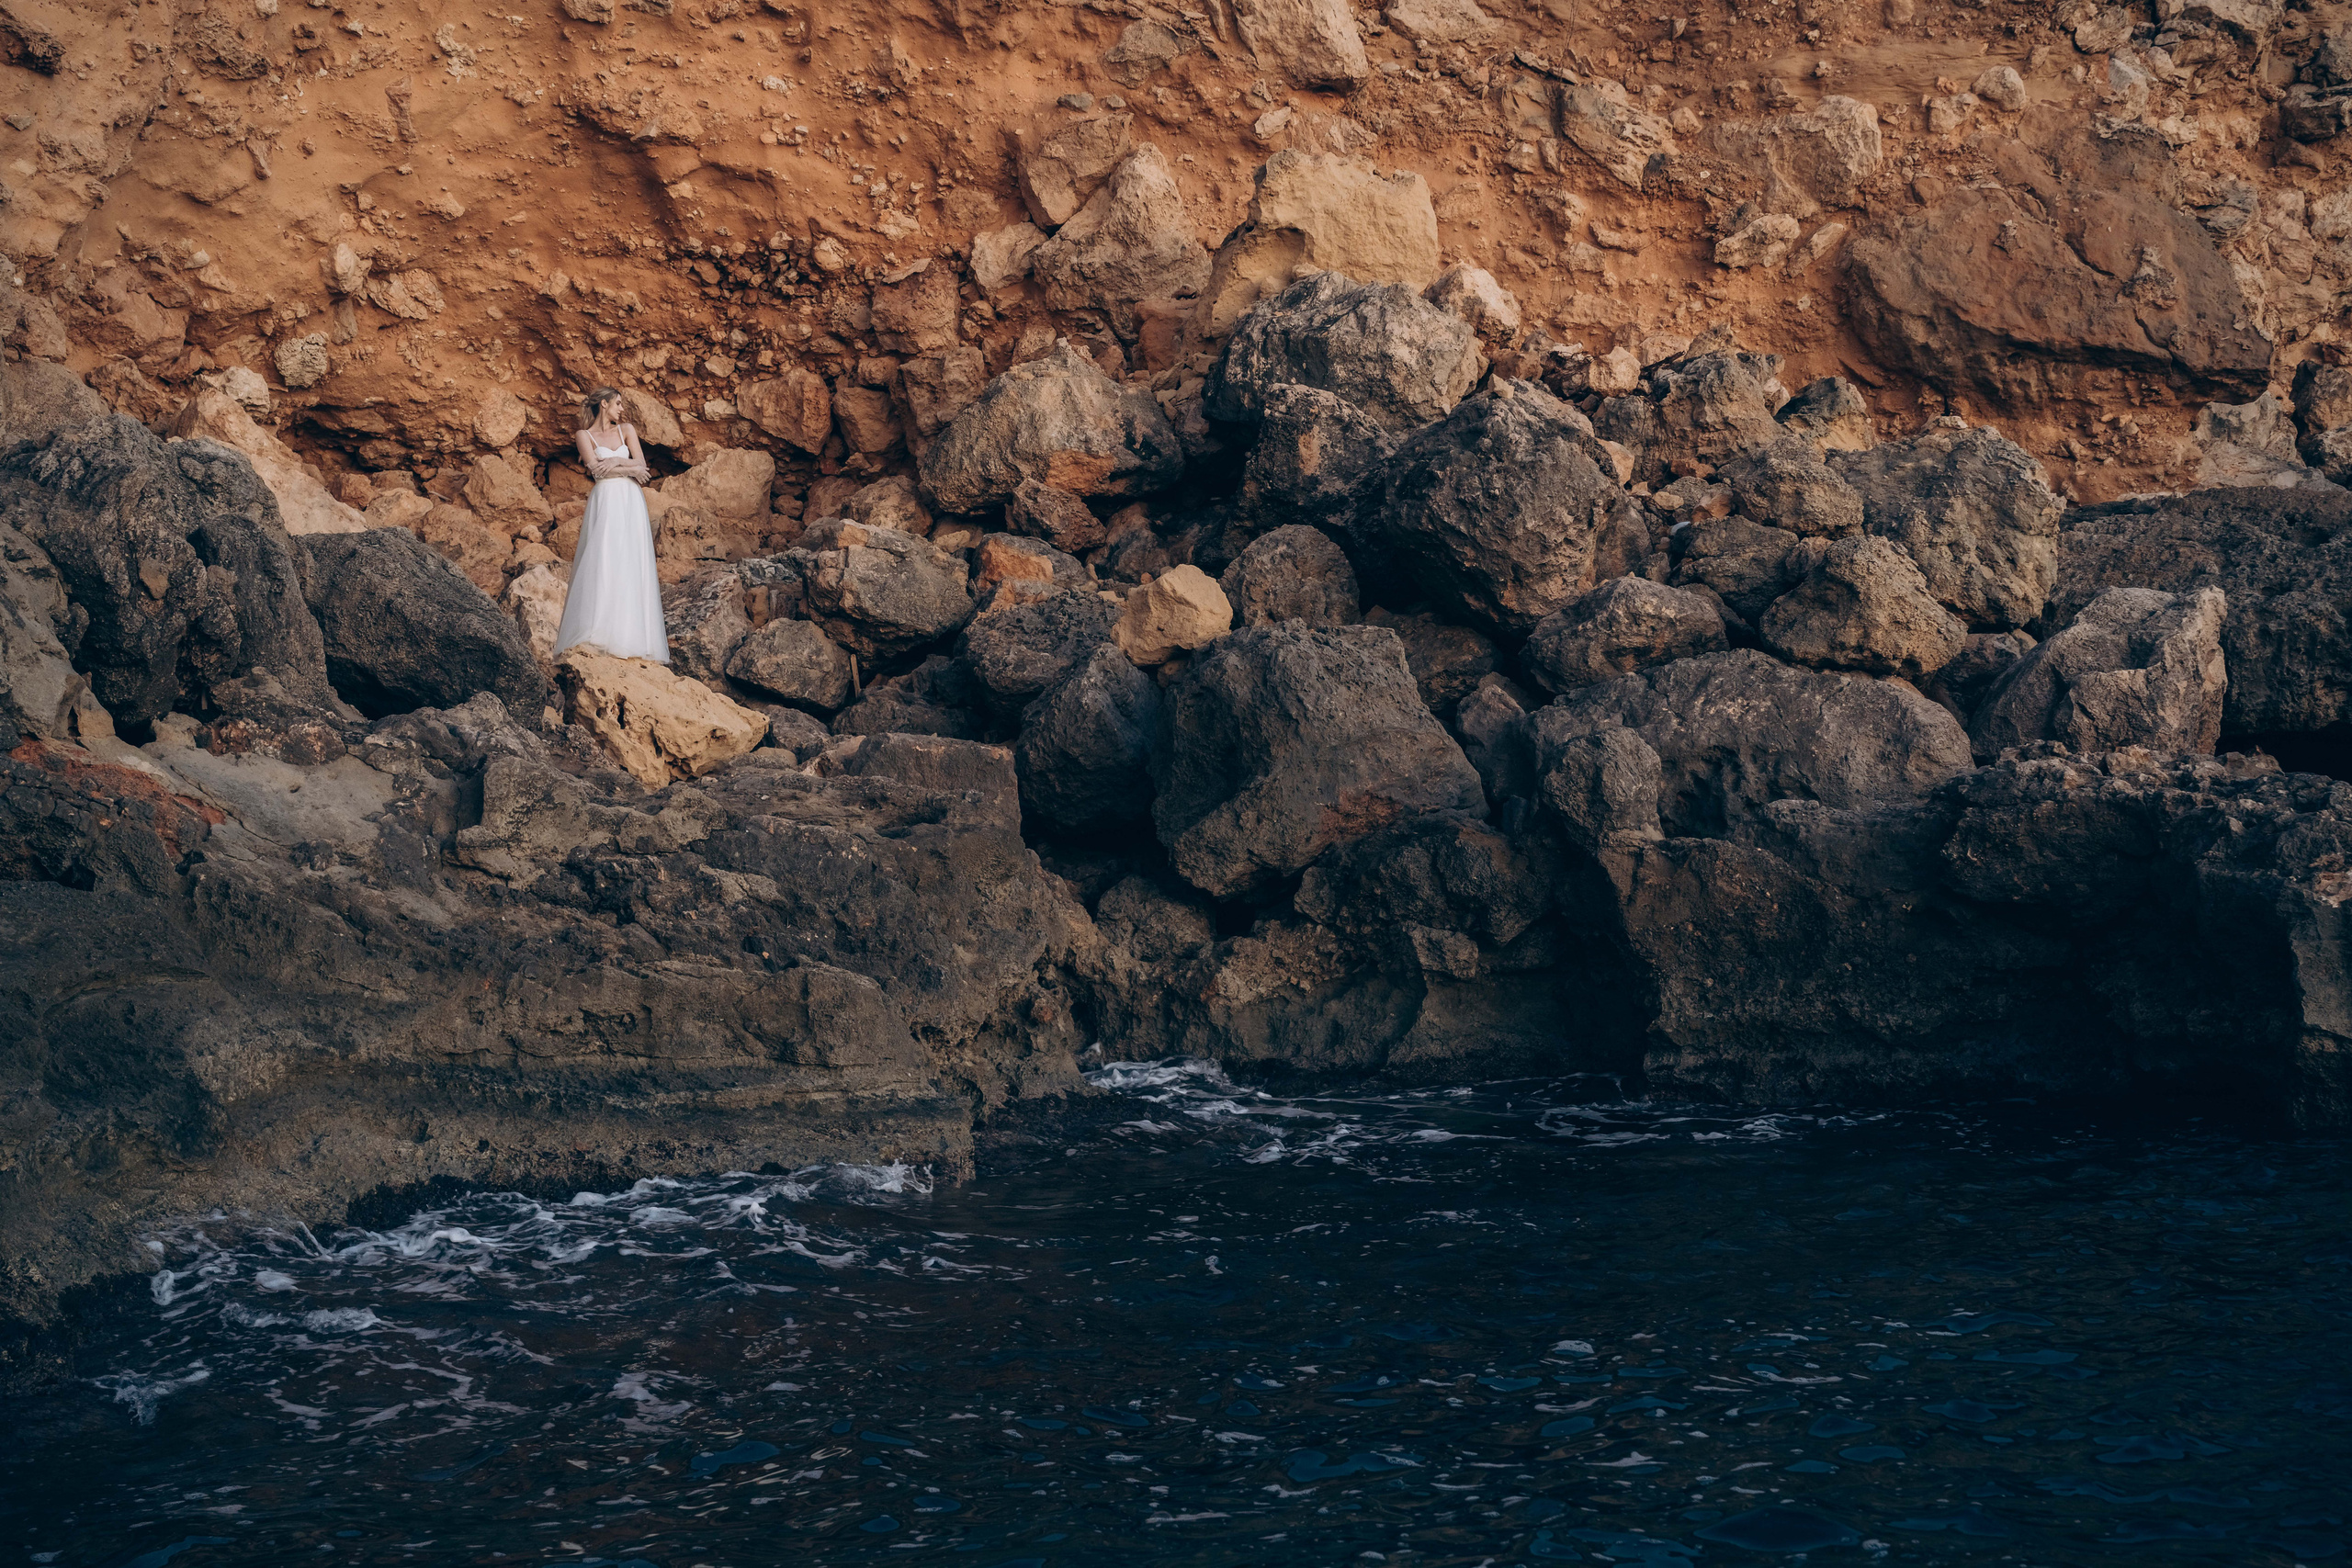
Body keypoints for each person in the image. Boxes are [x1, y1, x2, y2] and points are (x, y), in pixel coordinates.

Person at [553, 387, 671, 663]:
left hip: (631, 500)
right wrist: (628, 468)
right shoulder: (584, 435)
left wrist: (617, 460)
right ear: (603, 404)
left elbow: (643, 467)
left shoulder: (626, 430)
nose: (621, 409)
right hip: (605, 498)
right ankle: (596, 632)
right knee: (603, 558)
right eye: (617, 404)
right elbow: (595, 470)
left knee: (630, 560)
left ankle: (632, 637)